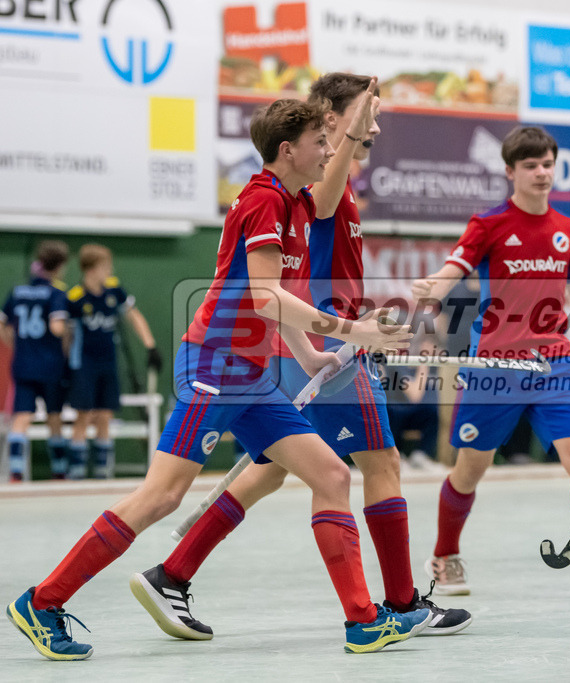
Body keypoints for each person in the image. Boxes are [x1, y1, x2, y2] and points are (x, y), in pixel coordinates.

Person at [6, 97, 426, 661]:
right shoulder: (262, 202)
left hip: (249, 372)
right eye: (322, 143)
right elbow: (262, 295)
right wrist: (352, 331)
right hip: (215, 365)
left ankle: (362, 621)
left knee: (330, 474)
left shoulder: (295, 203)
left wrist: (308, 357)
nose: (331, 151)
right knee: (162, 495)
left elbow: (279, 299)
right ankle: (44, 600)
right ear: (288, 150)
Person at [129, 73, 470, 641]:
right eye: (367, 116)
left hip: (310, 343)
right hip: (326, 340)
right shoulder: (319, 186)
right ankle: (402, 603)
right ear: (331, 122)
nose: (375, 127)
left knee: (271, 469)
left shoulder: (332, 185)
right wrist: (351, 333)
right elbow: (321, 205)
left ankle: (173, 573)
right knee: (379, 463)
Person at [412, 126, 570, 602]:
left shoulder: (569, 230)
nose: (541, 173)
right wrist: (425, 301)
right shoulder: (488, 225)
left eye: (547, 164)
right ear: (510, 172)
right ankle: (444, 554)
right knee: (469, 469)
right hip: (494, 369)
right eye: (530, 166)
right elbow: (450, 275)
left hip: (554, 366)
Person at [65, 244, 162, 479]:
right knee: (84, 415)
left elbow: (133, 315)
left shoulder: (114, 290)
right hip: (83, 364)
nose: (109, 270)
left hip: (108, 362)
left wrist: (150, 344)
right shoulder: (75, 298)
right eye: (105, 266)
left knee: (105, 414)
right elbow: (67, 336)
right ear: (91, 269)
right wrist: (67, 364)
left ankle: (102, 471)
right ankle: (76, 472)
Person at [0, 241, 70, 481]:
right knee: (54, 417)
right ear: (59, 266)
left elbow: (3, 323)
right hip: (50, 365)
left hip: (23, 363)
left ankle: (16, 472)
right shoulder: (57, 294)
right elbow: (57, 327)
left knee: (21, 417)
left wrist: (16, 342)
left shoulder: (18, 291)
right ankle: (59, 470)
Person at [385, 322, 444, 471]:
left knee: (432, 412)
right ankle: (396, 456)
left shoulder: (434, 367)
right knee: (393, 411)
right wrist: (423, 364)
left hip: (416, 414)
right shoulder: (399, 363)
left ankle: (421, 456)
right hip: (398, 411)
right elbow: (414, 395)